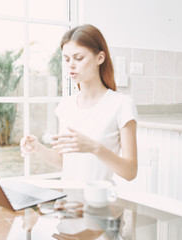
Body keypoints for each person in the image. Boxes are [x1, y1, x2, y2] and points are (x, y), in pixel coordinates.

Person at [20, 24, 138, 183]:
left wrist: (94, 147)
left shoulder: (121, 104)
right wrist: (37, 148)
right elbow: (64, 162)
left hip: (100, 203)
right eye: (67, 59)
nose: (71, 65)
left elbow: (130, 172)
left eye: (79, 58)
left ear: (100, 58)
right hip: (68, 203)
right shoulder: (66, 105)